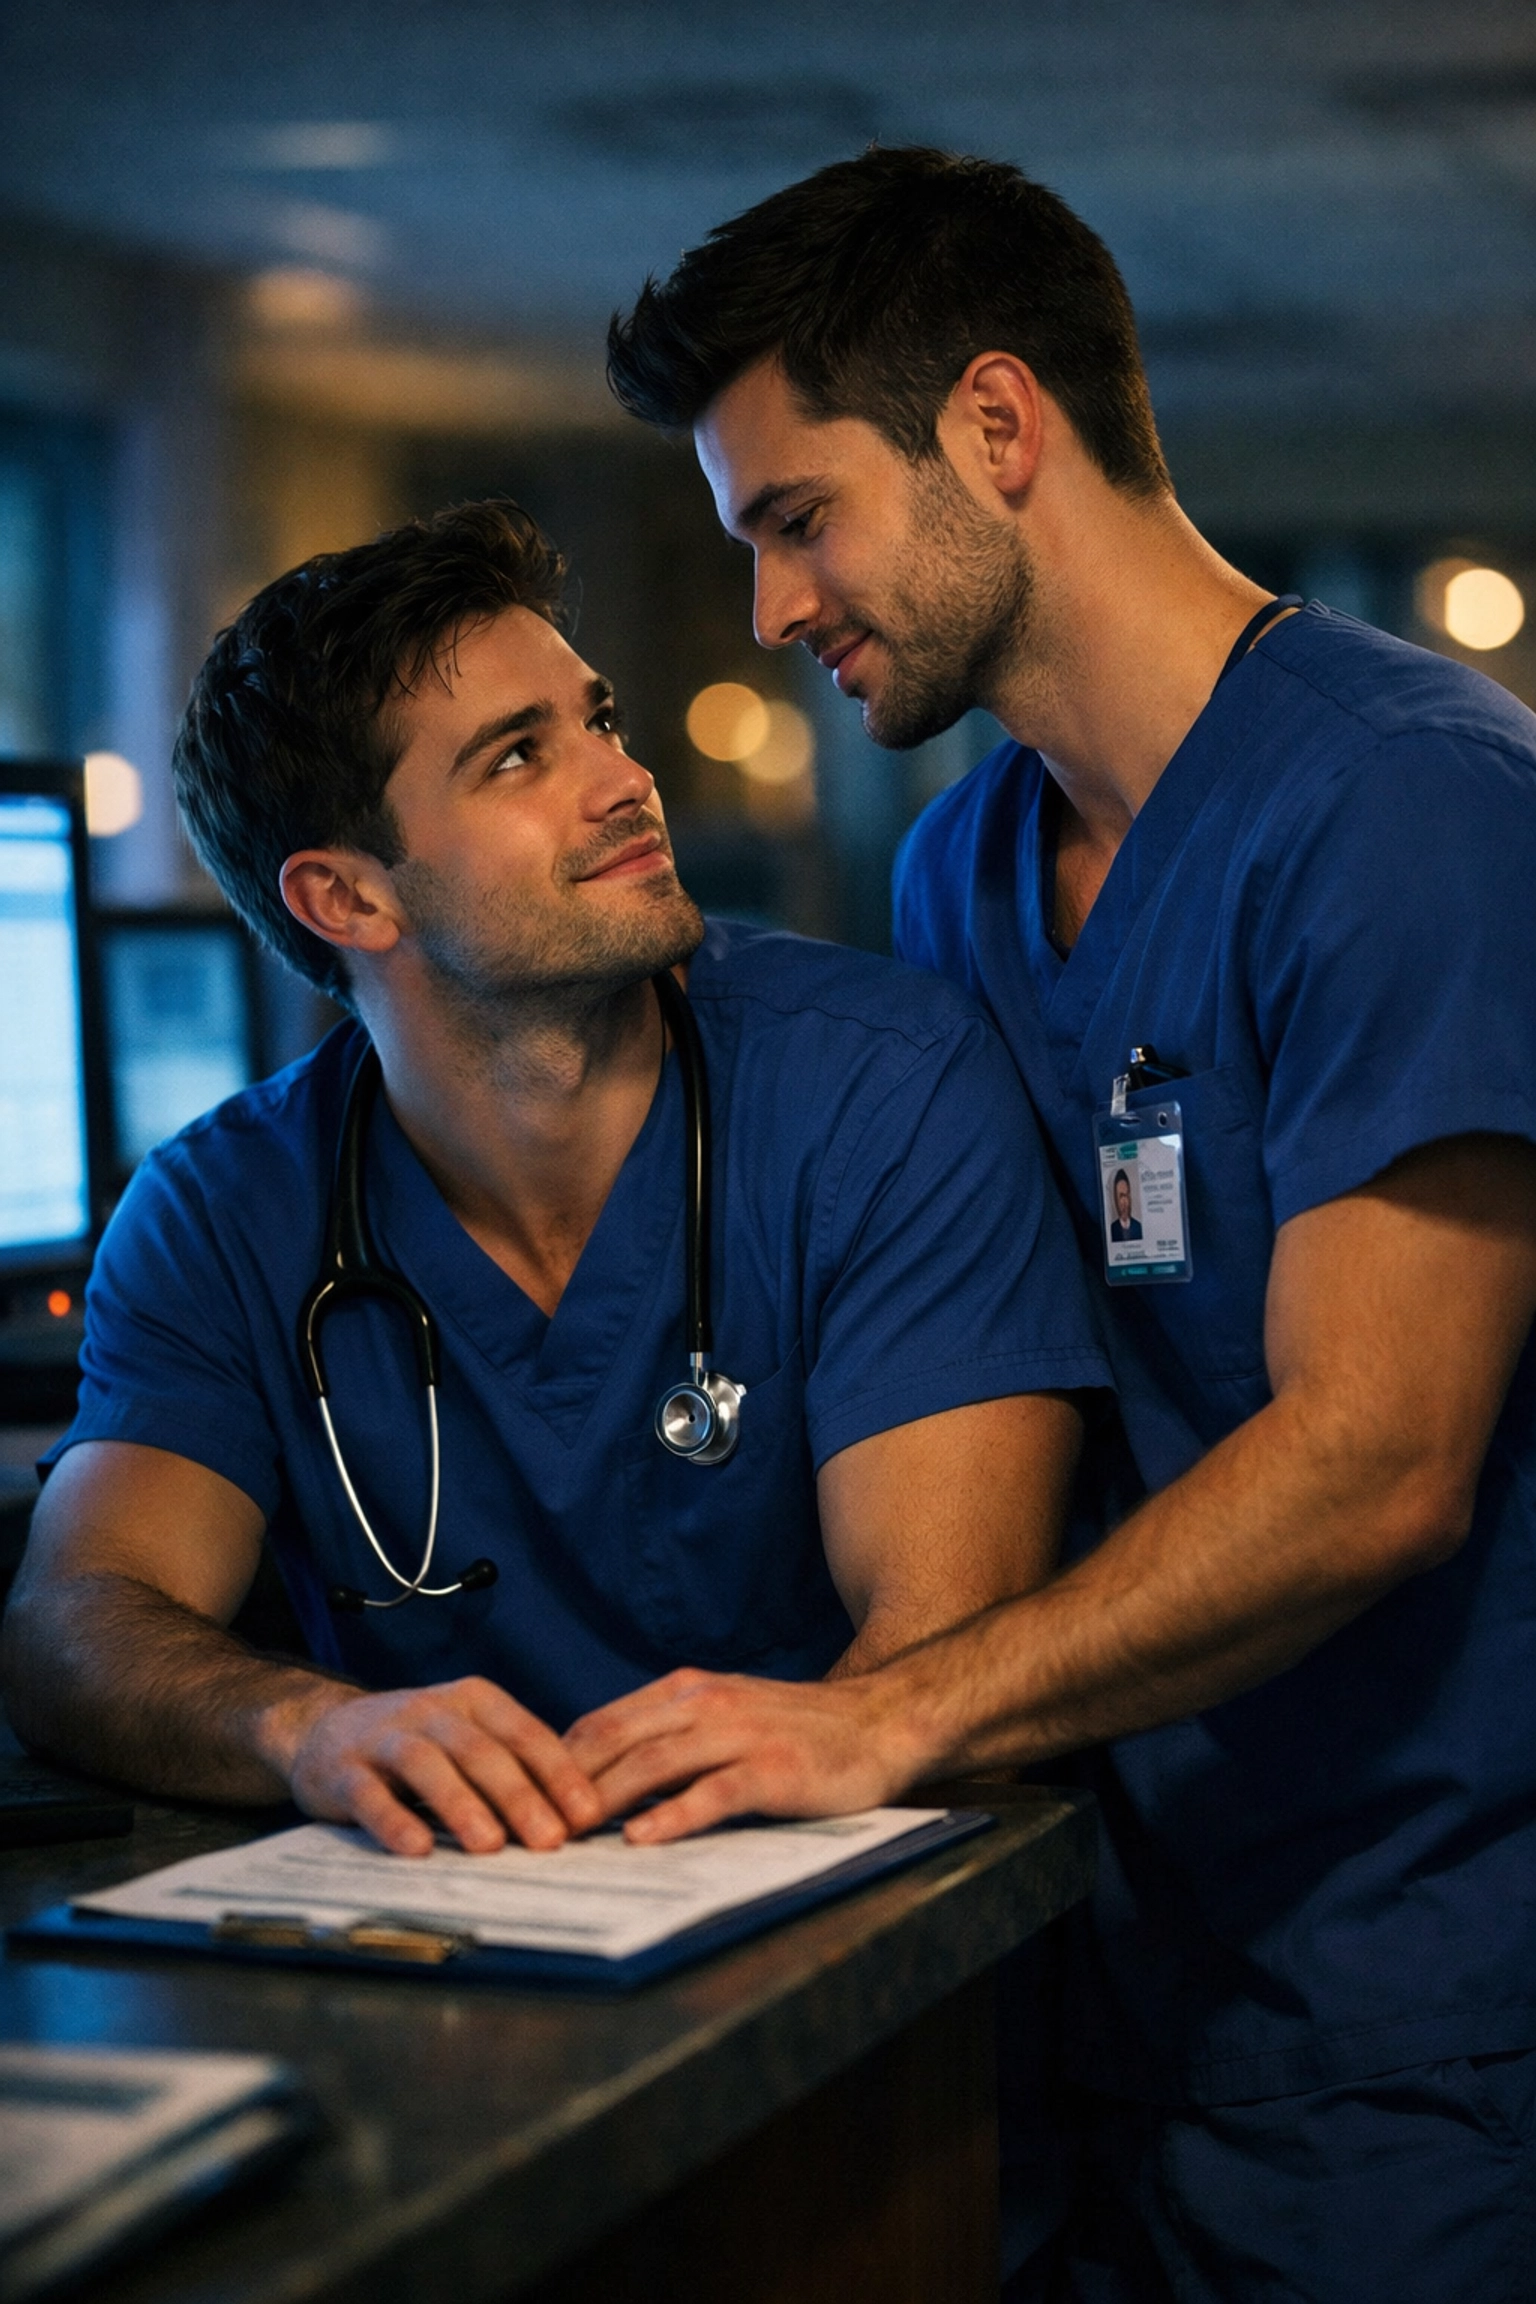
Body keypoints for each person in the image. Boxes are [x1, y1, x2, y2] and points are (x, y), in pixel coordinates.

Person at [574, 148, 1536, 2300]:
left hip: (1423, 2010)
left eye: (796, 518)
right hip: (1115, 1975)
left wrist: (891, 1716)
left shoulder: (1411, 803)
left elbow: (1381, 1456)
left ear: (998, 427)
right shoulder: (962, 869)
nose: (770, 610)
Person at [0, 497, 1110, 1863]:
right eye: (518, 756)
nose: (623, 780)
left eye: (600, 721)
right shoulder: (221, 1214)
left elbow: (941, 1662)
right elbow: (74, 1621)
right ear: (348, 900)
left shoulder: (880, 1089)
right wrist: (306, 1731)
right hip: (443, 1930)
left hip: (847, 1912)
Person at [1107, 1171, 1141, 1245]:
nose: (1124, 1202)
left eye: (1126, 1195)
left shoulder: (1139, 1227)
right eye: (1121, 1196)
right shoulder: (1111, 1230)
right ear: (1116, 1199)